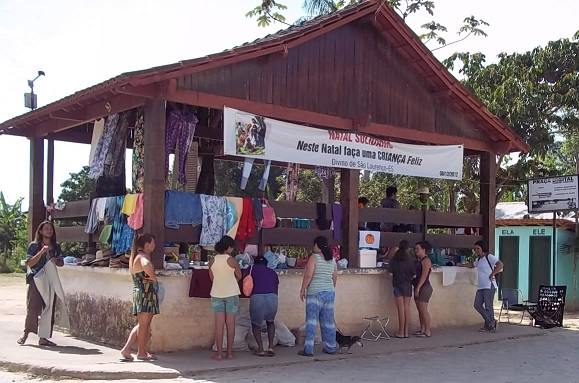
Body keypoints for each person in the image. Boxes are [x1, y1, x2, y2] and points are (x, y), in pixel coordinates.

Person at [18, 221, 65, 346]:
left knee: (49, 306)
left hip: (50, 279)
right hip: (37, 278)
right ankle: (26, 333)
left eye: (51, 229)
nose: (49, 231)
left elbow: (61, 263)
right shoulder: (34, 245)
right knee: (33, 306)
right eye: (46, 229)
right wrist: (42, 252)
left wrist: (56, 260)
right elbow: (30, 263)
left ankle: (44, 337)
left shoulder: (56, 246)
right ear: (40, 231)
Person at [120, 233, 159, 362]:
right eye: (153, 243)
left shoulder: (135, 256)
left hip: (142, 292)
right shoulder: (142, 257)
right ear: (147, 245)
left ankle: (128, 349)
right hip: (145, 293)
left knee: (143, 324)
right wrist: (153, 276)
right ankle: (141, 352)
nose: (155, 245)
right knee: (143, 325)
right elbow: (146, 265)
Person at [298, 236, 338, 357]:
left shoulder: (314, 258)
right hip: (329, 293)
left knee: (311, 321)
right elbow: (335, 277)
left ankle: (308, 348)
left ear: (317, 245)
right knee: (328, 322)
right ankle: (331, 347)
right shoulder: (332, 259)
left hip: (315, 293)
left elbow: (308, 275)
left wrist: (302, 289)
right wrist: (330, 288)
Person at [458, 240, 504, 332]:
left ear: (483, 248)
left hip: (489, 285)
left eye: (477, 248)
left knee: (488, 306)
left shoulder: (489, 257)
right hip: (481, 286)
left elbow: (500, 264)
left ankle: (489, 325)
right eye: (475, 249)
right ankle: (491, 322)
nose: (476, 250)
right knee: (477, 305)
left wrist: (492, 274)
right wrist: (461, 265)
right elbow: (472, 265)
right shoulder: (479, 259)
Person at [208, 235, 241, 361]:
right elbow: (239, 275)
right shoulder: (232, 261)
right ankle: (230, 353)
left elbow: (212, 279)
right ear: (228, 248)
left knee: (219, 324)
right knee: (230, 323)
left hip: (216, 293)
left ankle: (219, 353)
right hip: (231, 293)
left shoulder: (212, 261)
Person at [249, 254, 279, 357]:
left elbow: (245, 282)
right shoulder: (273, 272)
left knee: (255, 324)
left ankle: (261, 349)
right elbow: (276, 289)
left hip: (257, 297)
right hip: (272, 297)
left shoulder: (251, 269)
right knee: (270, 322)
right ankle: (270, 347)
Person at [388, 240, 415, 338]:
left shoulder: (394, 259)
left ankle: (400, 331)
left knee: (400, 309)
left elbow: (390, 273)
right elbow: (414, 274)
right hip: (407, 285)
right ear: (408, 248)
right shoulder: (410, 259)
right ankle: (406, 332)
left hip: (397, 285)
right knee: (406, 308)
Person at [413, 241, 433, 338]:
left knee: (423, 309)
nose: (416, 250)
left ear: (424, 250)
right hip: (418, 286)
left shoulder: (426, 261)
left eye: (418, 248)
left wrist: (418, 287)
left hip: (424, 287)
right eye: (415, 248)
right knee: (419, 309)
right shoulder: (418, 260)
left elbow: (424, 275)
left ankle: (427, 330)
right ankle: (422, 329)